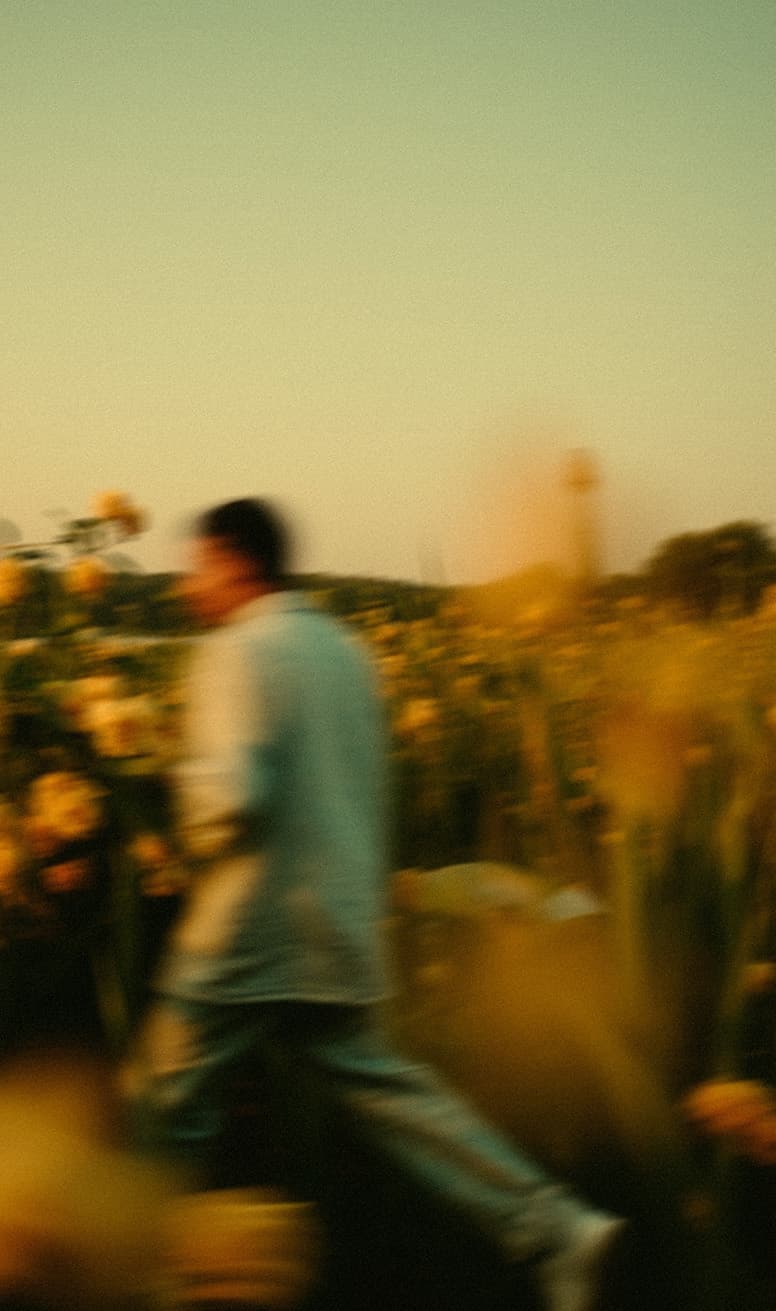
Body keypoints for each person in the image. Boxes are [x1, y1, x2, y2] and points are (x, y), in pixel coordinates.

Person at [124, 498, 623, 1311]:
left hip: (246, 930)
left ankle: (138, 1275)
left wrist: (170, 804)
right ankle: (559, 1228)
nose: (188, 586)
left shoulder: (236, 653)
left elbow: (229, 798)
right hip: (342, 923)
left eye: (197, 567)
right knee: (395, 1099)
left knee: (163, 1101)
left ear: (235, 560)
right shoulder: (345, 651)